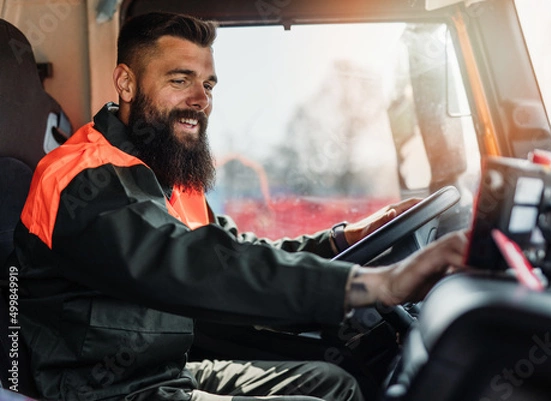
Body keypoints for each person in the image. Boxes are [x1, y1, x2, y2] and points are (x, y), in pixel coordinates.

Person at [13, 12, 468, 401]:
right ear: (127, 83)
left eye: (207, 83)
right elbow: (191, 264)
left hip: (165, 371)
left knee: (333, 382)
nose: (201, 99)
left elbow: (233, 249)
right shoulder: (80, 178)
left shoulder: (166, 173)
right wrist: (375, 284)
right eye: (180, 80)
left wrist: (342, 239)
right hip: (103, 390)